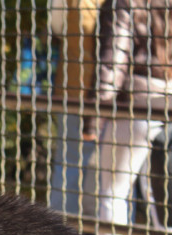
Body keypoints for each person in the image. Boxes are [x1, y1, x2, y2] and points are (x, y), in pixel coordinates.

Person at [83, 0, 172, 235]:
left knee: (113, 193)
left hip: (135, 106)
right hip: (166, 103)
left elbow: (113, 61)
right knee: (159, 196)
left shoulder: (126, 2)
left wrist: (93, 119)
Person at [48, 0, 103, 216]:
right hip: (122, 94)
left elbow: (57, 26)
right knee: (112, 175)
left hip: (75, 88)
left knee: (68, 163)